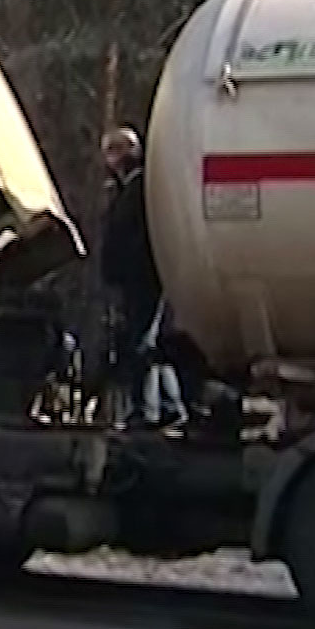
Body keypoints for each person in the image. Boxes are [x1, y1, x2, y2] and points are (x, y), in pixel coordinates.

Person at [99, 126, 188, 432]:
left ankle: (146, 409)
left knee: (141, 341)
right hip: (136, 278)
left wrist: (127, 267)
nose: (110, 159)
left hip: (143, 278)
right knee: (148, 342)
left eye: (114, 150)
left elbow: (137, 236)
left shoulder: (140, 190)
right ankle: (167, 406)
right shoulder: (128, 189)